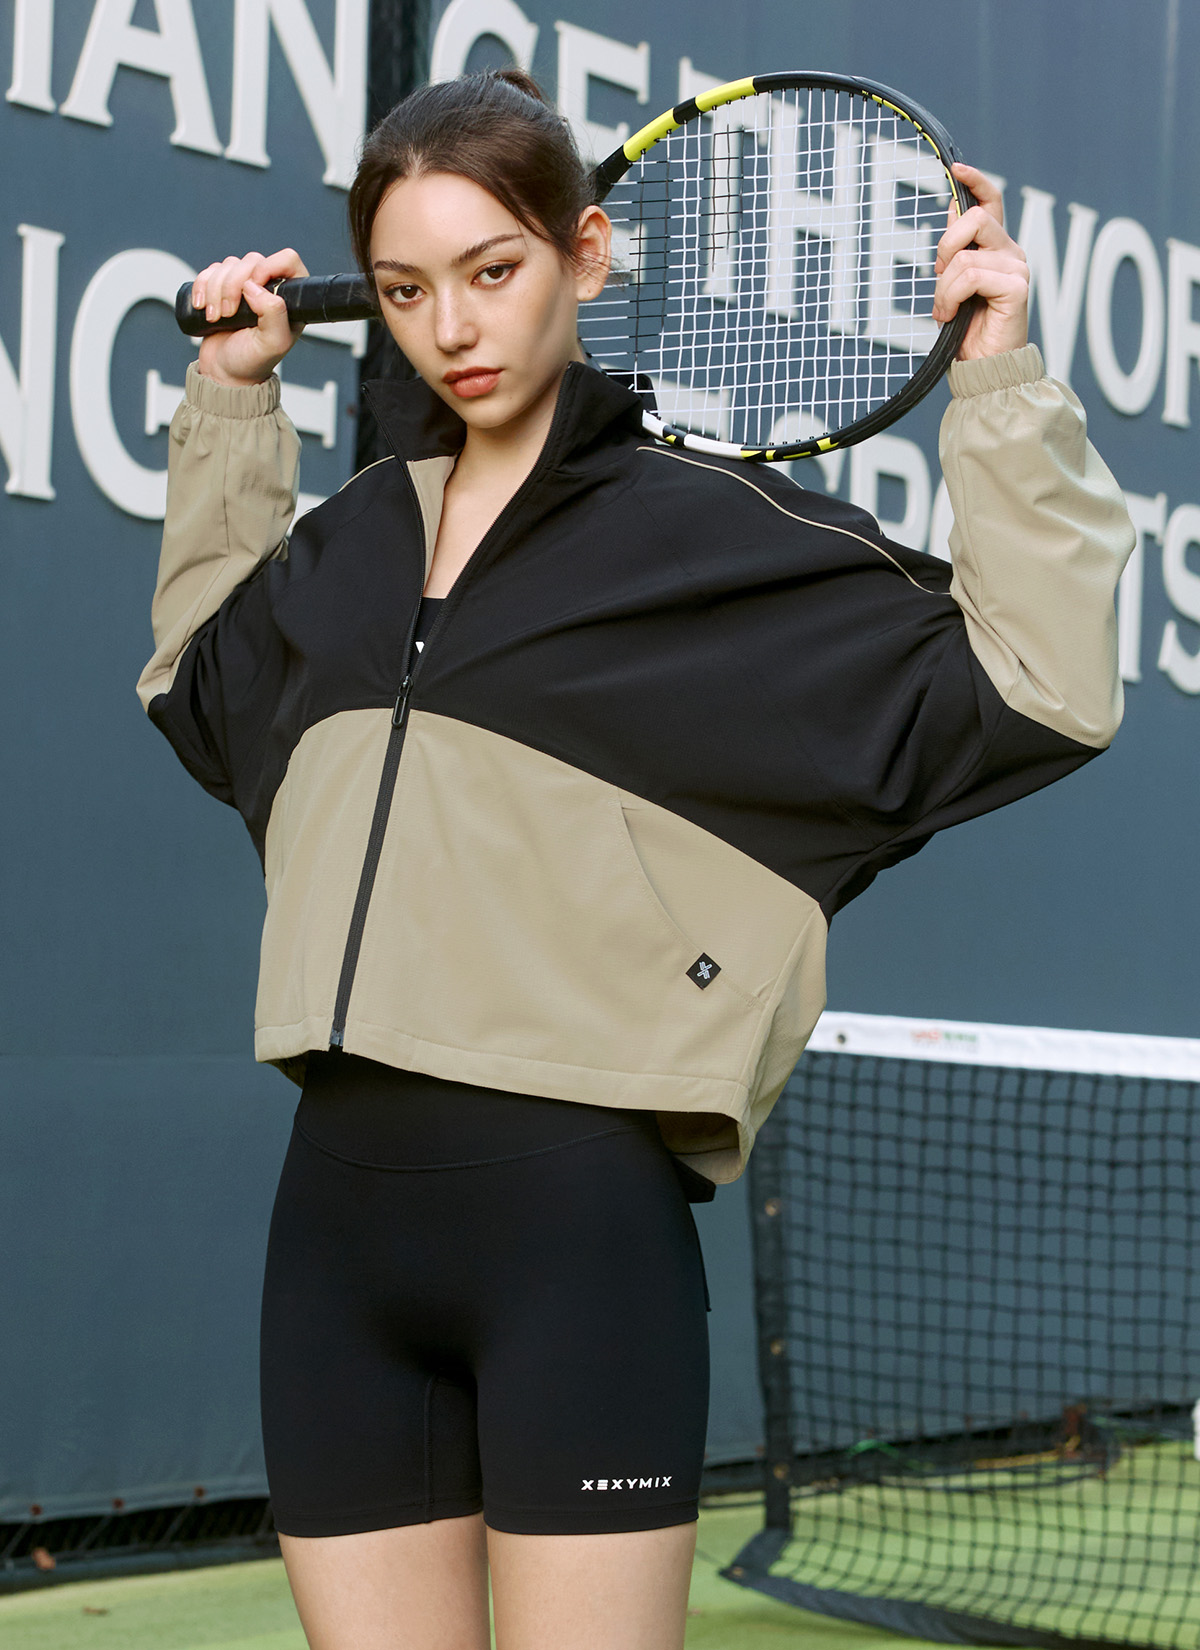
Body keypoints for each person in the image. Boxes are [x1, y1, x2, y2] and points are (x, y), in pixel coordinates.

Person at [136, 66, 1134, 1650]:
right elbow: (203, 688)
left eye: (492, 269)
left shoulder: (712, 539)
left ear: (587, 254)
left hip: (576, 1239)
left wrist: (1000, 382)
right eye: (405, 289)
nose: (452, 327)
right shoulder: (348, 546)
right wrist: (232, 407)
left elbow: (1044, 684)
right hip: (334, 1238)